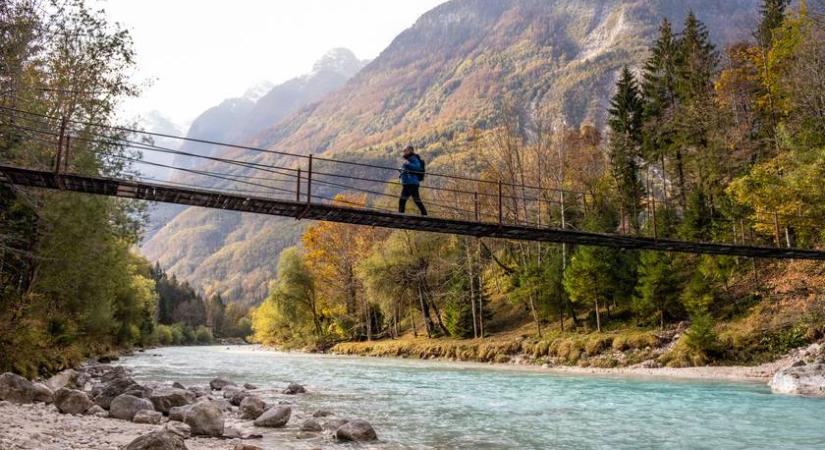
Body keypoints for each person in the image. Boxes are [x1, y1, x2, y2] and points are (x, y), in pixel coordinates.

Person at [398, 145, 427, 216]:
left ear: (410, 151)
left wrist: (408, 164)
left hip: (411, 183)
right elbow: (408, 169)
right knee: (416, 200)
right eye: (403, 150)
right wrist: (401, 170)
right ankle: (424, 214)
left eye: (405, 150)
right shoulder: (409, 159)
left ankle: (400, 217)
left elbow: (417, 168)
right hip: (410, 183)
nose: (404, 151)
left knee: (403, 200)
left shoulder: (413, 158)